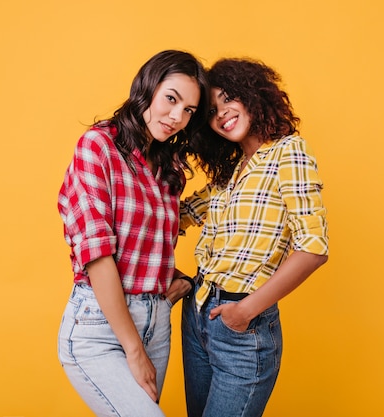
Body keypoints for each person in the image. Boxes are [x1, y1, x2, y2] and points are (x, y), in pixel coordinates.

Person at [56, 50, 209, 417]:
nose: (177, 117)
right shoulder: (98, 146)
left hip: (156, 325)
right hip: (100, 328)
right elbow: (99, 255)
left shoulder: (170, 165)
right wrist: (134, 350)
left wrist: (175, 284)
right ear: (148, 86)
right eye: (171, 99)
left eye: (189, 110)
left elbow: (150, 245)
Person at [178, 57, 329, 417]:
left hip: (242, 326)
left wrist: (245, 311)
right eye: (211, 110)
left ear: (252, 95)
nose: (222, 113)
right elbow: (176, 216)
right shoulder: (228, 173)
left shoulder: (287, 152)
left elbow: (313, 248)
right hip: (198, 317)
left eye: (228, 97)